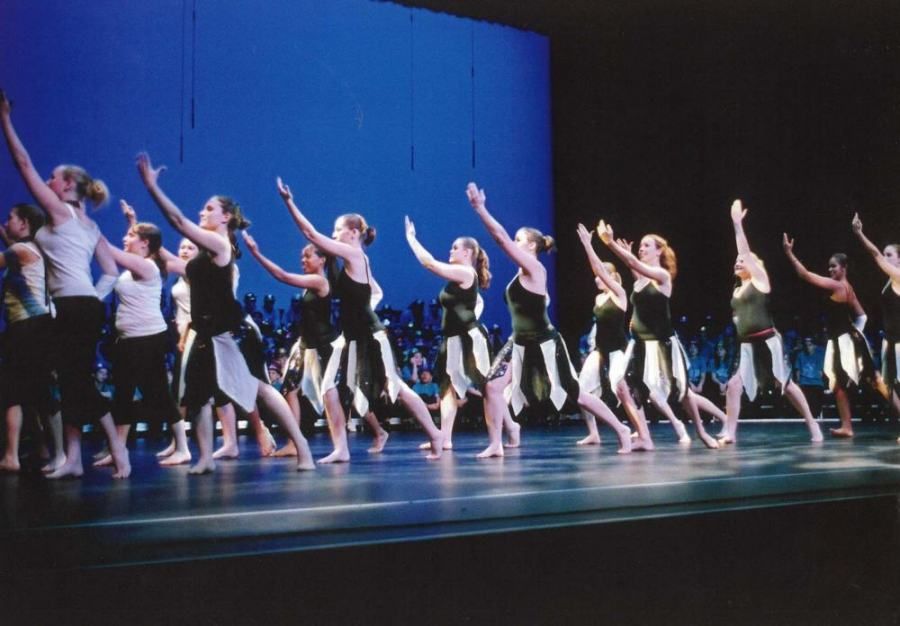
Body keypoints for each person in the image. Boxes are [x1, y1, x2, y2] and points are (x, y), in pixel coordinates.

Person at [136, 153, 314, 473]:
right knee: (200, 395)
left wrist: (152, 186)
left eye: (208, 209)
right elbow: (171, 260)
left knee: (260, 390)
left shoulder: (220, 246)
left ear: (226, 217)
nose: (201, 212)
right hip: (206, 331)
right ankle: (205, 458)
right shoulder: (205, 252)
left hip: (232, 331)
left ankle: (302, 447)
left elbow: (177, 221)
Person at [1, 90, 128, 478]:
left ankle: (118, 452)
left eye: (52, 178)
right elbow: (108, 271)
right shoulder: (88, 226)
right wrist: (93, 294)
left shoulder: (60, 212)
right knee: (71, 381)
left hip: (74, 306)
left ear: (68, 184)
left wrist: (5, 118)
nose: (46, 180)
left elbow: (22, 163)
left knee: (77, 380)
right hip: (79, 305)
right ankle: (72, 459)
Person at [276, 176, 443, 460]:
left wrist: (289, 202)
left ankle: (436, 434)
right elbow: (362, 286)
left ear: (353, 232)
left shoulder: (354, 254)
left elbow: (312, 235)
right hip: (351, 337)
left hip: (370, 335)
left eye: (338, 229)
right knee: (329, 388)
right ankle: (341, 449)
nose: (334, 233)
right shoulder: (346, 261)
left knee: (396, 387)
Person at [469, 183, 632, 457]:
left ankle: (621, 429)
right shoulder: (520, 274)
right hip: (518, 341)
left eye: (519, 240)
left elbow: (500, 239)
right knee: (492, 385)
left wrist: (480, 209)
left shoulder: (535, 267)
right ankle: (497, 442)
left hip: (545, 342)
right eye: (517, 240)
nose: (515, 242)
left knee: (576, 393)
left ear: (531, 246)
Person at [597, 219, 725, 448]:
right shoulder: (641, 279)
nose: (642, 248)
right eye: (641, 246)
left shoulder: (662, 276)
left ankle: (702, 432)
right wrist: (628, 259)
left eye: (647, 245)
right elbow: (635, 268)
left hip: (663, 343)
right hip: (640, 344)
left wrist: (611, 245)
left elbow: (634, 263)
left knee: (683, 392)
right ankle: (644, 437)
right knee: (623, 386)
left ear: (658, 251)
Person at [242, 232, 361, 457]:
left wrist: (256, 252)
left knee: (330, 395)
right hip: (305, 345)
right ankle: (294, 442)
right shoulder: (310, 283)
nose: (303, 260)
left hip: (323, 347)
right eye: (302, 257)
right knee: (289, 389)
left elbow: (282, 276)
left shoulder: (319, 281)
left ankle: (355, 440)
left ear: (322, 259)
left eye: (307, 257)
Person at [93, 208, 191, 468]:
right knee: (123, 394)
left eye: (130, 236)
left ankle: (182, 447)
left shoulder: (147, 266)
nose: (125, 238)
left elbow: (115, 253)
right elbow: (135, 249)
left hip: (147, 340)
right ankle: (118, 449)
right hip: (129, 340)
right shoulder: (137, 265)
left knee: (156, 393)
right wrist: (132, 222)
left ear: (145, 243)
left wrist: (86, 229)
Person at [717, 200, 823, 443]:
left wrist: (737, 225)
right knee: (734, 385)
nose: (738, 261)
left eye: (743, 260)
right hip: (746, 345)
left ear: (755, 266)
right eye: (736, 260)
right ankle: (730, 432)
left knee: (785, 384)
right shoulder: (736, 291)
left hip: (767, 340)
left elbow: (745, 251)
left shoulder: (760, 281)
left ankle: (813, 424)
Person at [405, 217, 494, 449]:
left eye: (455, 247)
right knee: (447, 388)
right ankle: (445, 438)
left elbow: (429, 263)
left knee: (487, 387)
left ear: (467, 253)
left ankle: (510, 429)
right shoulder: (459, 275)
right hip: (452, 339)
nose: (450, 250)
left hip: (469, 339)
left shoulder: (466, 273)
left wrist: (411, 239)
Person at [783, 232, 876, 438]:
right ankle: (847, 426)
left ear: (844, 268)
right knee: (841, 385)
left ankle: (848, 426)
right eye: (829, 266)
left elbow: (805, 275)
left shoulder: (837, 285)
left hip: (843, 341)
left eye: (834, 266)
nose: (830, 269)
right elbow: (862, 316)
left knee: (867, 381)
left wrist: (789, 254)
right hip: (843, 340)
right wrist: (855, 333)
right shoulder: (848, 288)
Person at [575, 223, 653, 449]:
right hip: (599, 350)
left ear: (611, 276)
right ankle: (594, 433)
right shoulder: (598, 299)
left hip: (619, 349)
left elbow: (598, 269)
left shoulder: (619, 294)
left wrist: (589, 246)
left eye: (601, 276)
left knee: (624, 390)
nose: (596, 279)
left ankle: (640, 432)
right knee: (580, 390)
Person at [0, 203, 63, 472]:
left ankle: (20, 455)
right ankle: (41, 448)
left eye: (11, 218)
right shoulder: (30, 249)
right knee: (27, 392)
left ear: (24, 223)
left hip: (29, 329)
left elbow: (9, 254)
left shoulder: (20, 251)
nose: (6, 221)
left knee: (26, 392)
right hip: (28, 328)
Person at [851, 212, 900, 441]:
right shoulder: (889, 281)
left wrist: (860, 233)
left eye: (890, 254)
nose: (885, 257)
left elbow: (874, 254)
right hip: (889, 341)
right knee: (884, 385)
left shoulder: (899, 276)